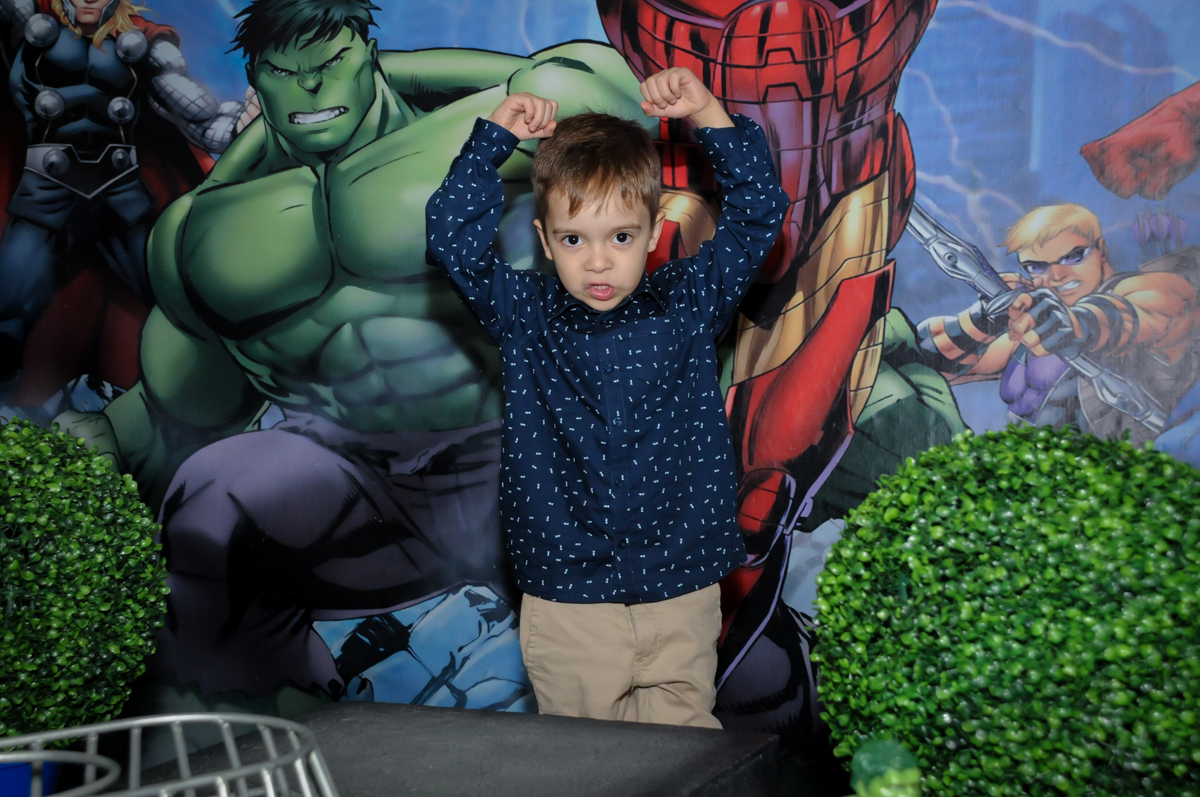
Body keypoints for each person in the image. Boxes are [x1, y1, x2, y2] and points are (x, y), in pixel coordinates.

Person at [55, 0, 653, 704]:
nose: (309, 87)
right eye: (285, 72)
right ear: (258, 79)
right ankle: (267, 737)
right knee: (212, 497)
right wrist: (89, 450)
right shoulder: (203, 236)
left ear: (367, 56)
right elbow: (176, 410)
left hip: (520, 458)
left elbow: (609, 96)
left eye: (332, 62)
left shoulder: (488, 131)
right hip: (365, 486)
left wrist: (405, 79)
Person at [425, 66, 789, 727]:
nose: (598, 261)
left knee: (685, 765)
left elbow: (760, 209)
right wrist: (491, 139)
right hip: (571, 603)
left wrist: (706, 111)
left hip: (682, 589)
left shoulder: (687, 300)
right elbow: (452, 235)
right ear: (544, 242)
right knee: (587, 770)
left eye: (620, 236)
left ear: (652, 234)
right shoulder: (525, 314)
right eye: (574, 239)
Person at [0, 0, 251, 396]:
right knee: (7, 306)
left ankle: (199, 391)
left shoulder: (147, 44)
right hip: (45, 189)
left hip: (118, 193)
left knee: (171, 302)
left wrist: (244, 121)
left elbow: (202, 120)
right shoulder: (29, 18)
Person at [915, 203, 1200, 455]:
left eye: (1073, 257)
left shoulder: (1139, 289)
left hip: (1129, 477)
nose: (1057, 275)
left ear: (1101, 250)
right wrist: (984, 318)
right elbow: (938, 367)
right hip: (1038, 479)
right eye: (1037, 266)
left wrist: (1076, 324)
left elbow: (1143, 311)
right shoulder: (1031, 328)